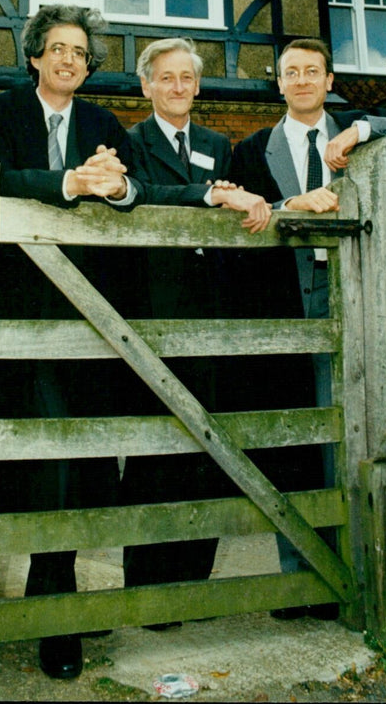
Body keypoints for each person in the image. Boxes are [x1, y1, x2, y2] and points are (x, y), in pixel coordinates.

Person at [226, 36, 386, 618]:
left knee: (361, 439)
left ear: (328, 80)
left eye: (312, 71)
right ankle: (303, 581)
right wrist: (287, 206)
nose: (301, 80)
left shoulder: (357, 127)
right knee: (296, 445)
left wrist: (365, 131)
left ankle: (368, 575)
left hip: (361, 308)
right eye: (290, 72)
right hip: (285, 314)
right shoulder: (251, 149)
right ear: (278, 83)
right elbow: (234, 222)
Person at [0, 4, 136, 681]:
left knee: (85, 462)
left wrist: (116, 185)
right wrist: (70, 182)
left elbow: (136, 185)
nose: (69, 60)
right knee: (18, 464)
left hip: (90, 321)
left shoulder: (102, 123)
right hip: (9, 316)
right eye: (57, 48)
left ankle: (54, 606)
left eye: (81, 52)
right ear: (34, 57)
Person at [118, 38, 271, 614]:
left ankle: (190, 589)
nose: (178, 86)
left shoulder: (216, 145)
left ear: (198, 86)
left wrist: (243, 199)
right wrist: (207, 195)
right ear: (147, 87)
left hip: (210, 311)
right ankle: (146, 590)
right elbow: (143, 198)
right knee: (157, 451)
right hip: (153, 310)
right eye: (166, 78)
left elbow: (230, 210)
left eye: (187, 77)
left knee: (209, 445)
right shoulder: (130, 143)